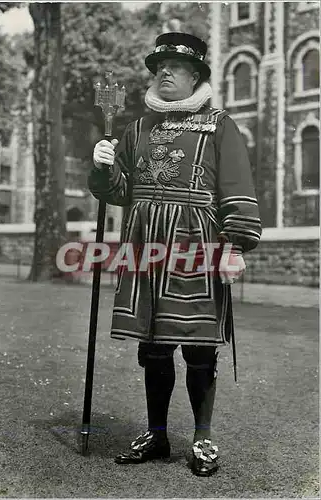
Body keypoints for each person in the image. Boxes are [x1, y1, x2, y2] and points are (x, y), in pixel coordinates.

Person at [88, 32, 262, 476]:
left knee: (199, 346)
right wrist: (103, 165)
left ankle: (202, 438)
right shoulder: (138, 129)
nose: (163, 72)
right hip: (145, 243)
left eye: (175, 66)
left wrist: (235, 245)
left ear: (196, 75)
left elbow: (237, 187)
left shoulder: (219, 124)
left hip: (197, 243)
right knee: (154, 346)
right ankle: (158, 433)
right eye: (158, 66)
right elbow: (118, 192)